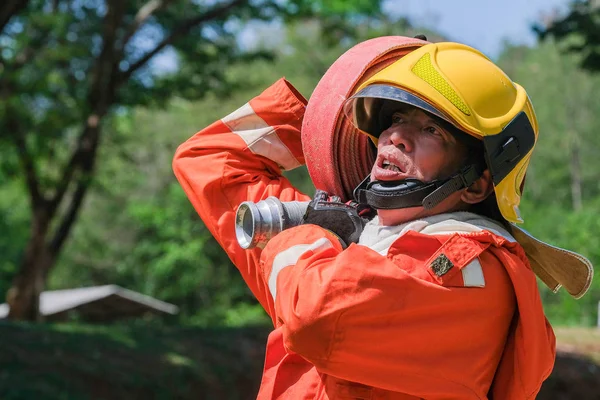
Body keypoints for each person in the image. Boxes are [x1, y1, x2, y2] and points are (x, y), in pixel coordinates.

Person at [173, 39, 573, 399]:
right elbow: (209, 160)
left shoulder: (468, 266)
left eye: (432, 128)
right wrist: (326, 114)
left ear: (476, 185)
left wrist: (311, 233)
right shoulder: (340, 247)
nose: (395, 136)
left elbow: (317, 319)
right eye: (395, 119)